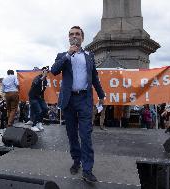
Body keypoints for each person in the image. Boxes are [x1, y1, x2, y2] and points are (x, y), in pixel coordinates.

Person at [51, 26, 105, 183]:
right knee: (72, 134)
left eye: (77, 34)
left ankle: (87, 170)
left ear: (82, 38)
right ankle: (76, 160)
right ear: (68, 38)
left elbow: (94, 77)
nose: (74, 36)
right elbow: (54, 70)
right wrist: (68, 54)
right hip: (68, 100)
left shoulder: (89, 55)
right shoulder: (62, 55)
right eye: (71, 34)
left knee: (85, 134)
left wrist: (101, 95)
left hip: (84, 100)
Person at [28, 67, 49, 132]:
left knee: (45, 109)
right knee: (38, 111)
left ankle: (39, 123)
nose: (46, 73)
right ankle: (33, 125)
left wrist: (42, 100)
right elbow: (35, 84)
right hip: (33, 97)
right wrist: (43, 76)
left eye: (47, 71)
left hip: (39, 97)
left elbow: (42, 90)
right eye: (44, 71)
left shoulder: (45, 80)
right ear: (42, 71)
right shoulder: (37, 78)